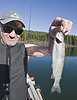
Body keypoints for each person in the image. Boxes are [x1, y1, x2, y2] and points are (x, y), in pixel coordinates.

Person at [0, 11, 73, 100]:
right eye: (7, 29)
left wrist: (52, 36)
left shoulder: (25, 50)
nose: (12, 35)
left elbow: (49, 51)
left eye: (18, 31)